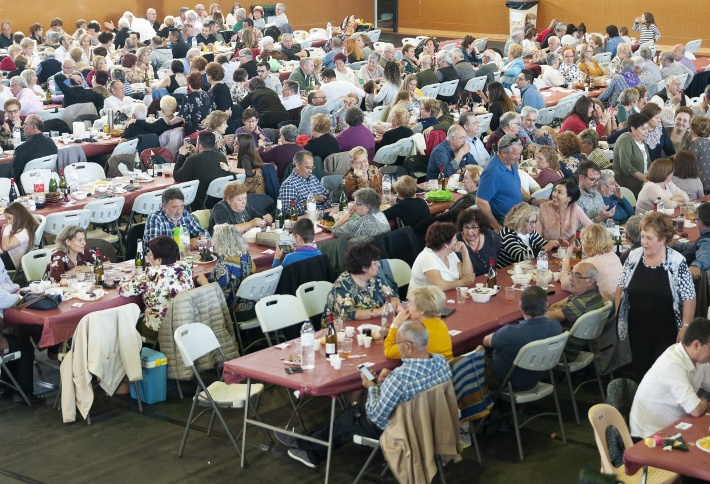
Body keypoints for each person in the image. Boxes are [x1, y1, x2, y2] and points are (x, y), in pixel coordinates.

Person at [278, 319, 450, 468]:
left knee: (349, 419)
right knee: (348, 417)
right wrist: (388, 380)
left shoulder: (401, 378)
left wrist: (371, 387)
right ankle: (308, 447)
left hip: (401, 429)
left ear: (408, 346)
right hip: (431, 421)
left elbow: (376, 417)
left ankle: (306, 447)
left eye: (398, 344)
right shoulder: (441, 362)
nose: (397, 347)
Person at [616, 211, 696, 381]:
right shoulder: (634, 257)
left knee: (663, 377)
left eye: (649, 238)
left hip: (667, 331)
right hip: (637, 329)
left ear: (663, 239)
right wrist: (618, 314)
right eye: (643, 236)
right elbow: (621, 286)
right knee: (641, 375)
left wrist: (686, 326)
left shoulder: (675, 262)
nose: (643, 242)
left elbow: (689, 296)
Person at [629, 317, 710, 439]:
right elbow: (696, 409)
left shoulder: (700, 359)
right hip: (649, 436)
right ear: (696, 344)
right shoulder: (673, 364)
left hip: (677, 425)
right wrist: (704, 400)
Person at [482, 285, 563, 390]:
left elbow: (486, 341)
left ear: (520, 305)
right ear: (547, 305)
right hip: (538, 375)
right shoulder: (556, 326)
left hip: (508, 381)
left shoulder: (510, 332)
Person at [119, 235, 193, 339]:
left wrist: (128, 280)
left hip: (160, 329)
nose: (148, 256)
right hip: (185, 324)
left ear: (159, 260)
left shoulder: (152, 273)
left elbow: (123, 290)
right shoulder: (185, 267)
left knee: (128, 325)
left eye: (150, 254)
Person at [322, 242, 400, 323]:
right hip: (340, 329)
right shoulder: (342, 285)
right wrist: (380, 311)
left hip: (371, 322)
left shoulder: (374, 277)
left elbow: (392, 294)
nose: (379, 264)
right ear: (364, 268)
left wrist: (393, 306)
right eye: (375, 263)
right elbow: (349, 314)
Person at [385, 286, 453, 360]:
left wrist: (395, 324)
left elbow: (389, 352)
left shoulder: (416, 334)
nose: (407, 305)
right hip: (446, 367)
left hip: (430, 370)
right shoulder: (440, 323)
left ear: (422, 310)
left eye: (411, 303)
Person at [476, 134, 528, 231]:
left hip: (518, 216)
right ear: (504, 153)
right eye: (516, 154)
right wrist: (495, 226)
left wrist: (531, 199)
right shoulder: (492, 172)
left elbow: (517, 186)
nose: (519, 157)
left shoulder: (510, 162)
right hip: (505, 220)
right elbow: (481, 201)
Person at [195, 224, 252, 307]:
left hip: (230, 309)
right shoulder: (246, 256)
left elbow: (217, 296)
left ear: (220, 242)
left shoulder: (224, 265)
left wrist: (202, 280)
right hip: (250, 305)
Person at [560, 224, 623, 300]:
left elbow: (565, 284)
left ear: (587, 243)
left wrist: (567, 256)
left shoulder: (588, 264)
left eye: (582, 241)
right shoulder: (614, 255)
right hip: (614, 303)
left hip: (597, 306)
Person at [409, 222, 475, 291]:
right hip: (422, 300)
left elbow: (468, 276)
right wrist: (462, 282)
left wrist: (465, 252)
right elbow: (439, 286)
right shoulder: (427, 257)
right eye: (455, 239)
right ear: (446, 244)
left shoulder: (449, 252)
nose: (457, 241)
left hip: (445, 296)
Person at [173, 131, 231, 209]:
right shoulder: (221, 157)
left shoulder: (192, 160)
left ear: (200, 146)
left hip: (199, 203)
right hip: (218, 200)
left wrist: (181, 155)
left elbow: (177, 177)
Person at [143, 187, 209, 248]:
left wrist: (203, 238)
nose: (179, 211)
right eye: (175, 207)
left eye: (182, 206)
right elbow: (155, 248)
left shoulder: (184, 214)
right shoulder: (155, 218)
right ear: (164, 206)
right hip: (161, 260)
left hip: (184, 258)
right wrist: (186, 244)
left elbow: (203, 231)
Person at [12, 115, 58, 193]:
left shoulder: (22, 149)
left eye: (25, 124)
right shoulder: (51, 143)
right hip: (46, 182)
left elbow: (15, 173)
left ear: (33, 128)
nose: (23, 126)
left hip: (26, 186)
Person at [208, 180, 273, 235]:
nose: (244, 202)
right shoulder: (220, 208)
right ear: (229, 200)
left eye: (245, 198)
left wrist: (267, 219)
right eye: (240, 199)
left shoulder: (245, 207)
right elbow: (225, 231)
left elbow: (259, 218)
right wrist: (251, 224)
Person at [278, 150, 330, 216]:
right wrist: (309, 203)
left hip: (322, 215)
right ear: (297, 165)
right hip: (305, 221)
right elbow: (287, 211)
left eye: (312, 167)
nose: (311, 171)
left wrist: (327, 199)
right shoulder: (289, 184)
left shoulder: (312, 178)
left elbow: (324, 195)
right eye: (308, 168)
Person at [612, 113, 651, 197]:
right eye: (643, 129)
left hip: (642, 184)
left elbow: (648, 161)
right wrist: (645, 178)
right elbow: (625, 165)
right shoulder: (625, 140)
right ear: (633, 129)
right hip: (629, 186)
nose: (646, 131)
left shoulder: (641, 139)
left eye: (647, 128)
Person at [456, 208, 501, 276]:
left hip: (491, 279)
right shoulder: (456, 242)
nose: (469, 231)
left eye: (474, 227)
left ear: (481, 227)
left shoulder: (492, 237)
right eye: (466, 227)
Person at [0, 202, 38, 271]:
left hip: (14, 262)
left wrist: (6, 230)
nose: (8, 222)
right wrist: (4, 233)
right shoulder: (22, 227)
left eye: (9, 218)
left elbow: (5, 247)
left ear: (18, 216)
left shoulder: (23, 232)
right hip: (10, 256)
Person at [684, 116, 710, 192]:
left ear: (693, 128)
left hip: (697, 183)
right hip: (707, 182)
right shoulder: (707, 142)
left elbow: (687, 164)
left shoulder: (695, 144)